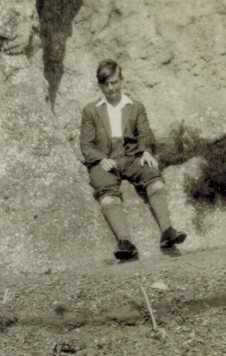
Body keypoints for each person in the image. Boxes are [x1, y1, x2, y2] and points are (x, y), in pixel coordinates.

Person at [80, 59, 187, 261]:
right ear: (100, 85)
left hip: (131, 157)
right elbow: (86, 145)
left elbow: (144, 134)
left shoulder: (135, 106)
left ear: (121, 80)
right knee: (106, 190)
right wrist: (101, 159)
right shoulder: (90, 111)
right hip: (105, 161)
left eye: (114, 82)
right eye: (106, 84)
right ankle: (125, 242)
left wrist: (146, 151)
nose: (111, 88)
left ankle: (167, 232)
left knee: (152, 174)